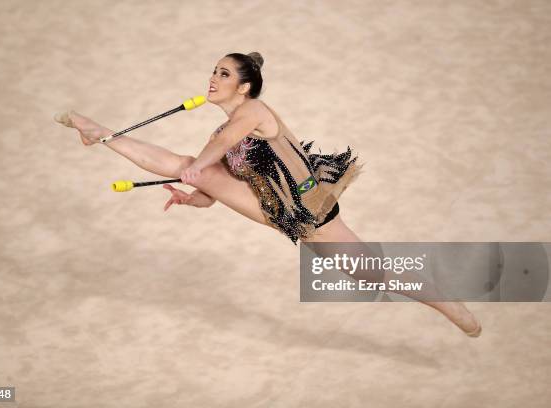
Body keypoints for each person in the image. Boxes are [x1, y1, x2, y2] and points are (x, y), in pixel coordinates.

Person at [54, 52, 482, 337]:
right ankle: (102, 133)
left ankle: (446, 302)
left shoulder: (253, 112)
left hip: (307, 207)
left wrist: (198, 170)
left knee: (372, 273)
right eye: (213, 71)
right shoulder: (219, 131)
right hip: (280, 209)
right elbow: (211, 185)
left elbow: (217, 152)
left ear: (244, 86)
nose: (213, 78)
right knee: (363, 273)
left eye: (224, 73)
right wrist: (192, 197)